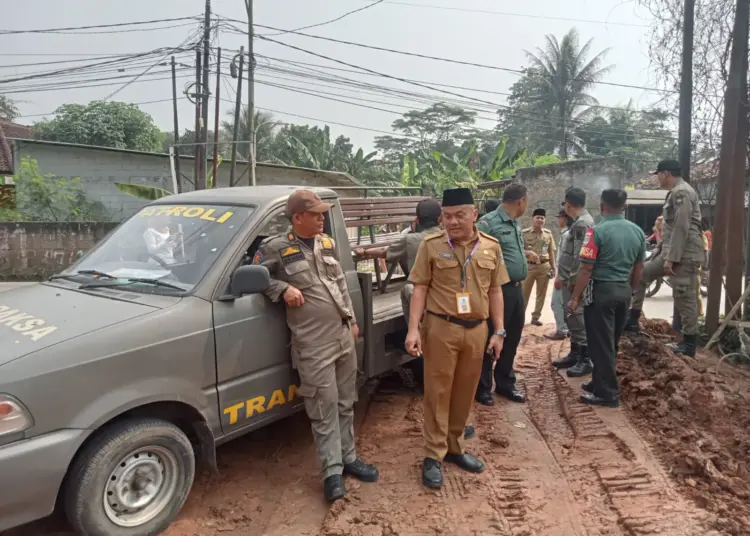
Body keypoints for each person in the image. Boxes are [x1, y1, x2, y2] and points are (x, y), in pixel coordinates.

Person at [253, 189, 378, 503]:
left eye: (323, 213)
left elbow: (338, 285)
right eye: (316, 214)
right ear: (297, 218)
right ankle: (332, 472)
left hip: (341, 334)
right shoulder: (275, 248)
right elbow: (253, 277)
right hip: (312, 343)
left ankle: (349, 458)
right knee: (323, 409)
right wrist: (281, 288)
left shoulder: (326, 243)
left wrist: (350, 319)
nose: (323, 219)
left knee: (346, 401)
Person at [406, 187, 507, 489]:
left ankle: (455, 447)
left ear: (474, 214)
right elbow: (420, 288)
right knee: (438, 391)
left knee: (465, 390)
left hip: (477, 330)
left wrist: (499, 330)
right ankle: (433, 454)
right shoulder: (431, 245)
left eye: (459, 215)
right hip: (441, 327)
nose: (452, 222)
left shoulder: (491, 246)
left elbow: (495, 290)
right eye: (447, 217)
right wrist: (413, 328)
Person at [354, 201, 478, 440]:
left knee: (430, 359)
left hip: (425, 308)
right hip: (450, 310)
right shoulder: (449, 239)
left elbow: (386, 253)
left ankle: (443, 425)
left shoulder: (412, 241)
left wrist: (364, 253)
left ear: (417, 220)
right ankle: (454, 424)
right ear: (441, 219)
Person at [568, 189, 645, 407]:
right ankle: (598, 382)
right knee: (611, 342)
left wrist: (575, 298)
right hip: (624, 292)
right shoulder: (638, 231)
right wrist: (631, 290)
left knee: (600, 344)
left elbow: (585, 269)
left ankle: (608, 394)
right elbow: (639, 268)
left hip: (601, 292)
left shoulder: (596, 232)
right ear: (624, 207)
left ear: (602, 207)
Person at [626, 159, 705, 357]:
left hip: (684, 255)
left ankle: (689, 345)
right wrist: (659, 249)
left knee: (684, 296)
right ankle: (632, 320)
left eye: (658, 173)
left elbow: (681, 227)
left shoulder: (682, 192)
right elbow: (669, 227)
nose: (657, 178)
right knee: (640, 275)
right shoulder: (675, 192)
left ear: (666, 173)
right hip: (670, 252)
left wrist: (672, 258)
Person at [475, 183, 531, 405]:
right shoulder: (488, 223)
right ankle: (483, 387)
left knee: (513, 337)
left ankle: (506, 383)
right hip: (498, 290)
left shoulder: (515, 224)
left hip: (517, 290)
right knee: (493, 336)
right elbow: (474, 253)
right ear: (521, 201)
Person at [552, 187, 595, 377]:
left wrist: (572, 281)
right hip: (571, 278)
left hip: (573, 280)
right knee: (572, 317)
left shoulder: (581, 225)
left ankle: (585, 359)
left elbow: (579, 258)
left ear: (568, 205)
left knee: (576, 316)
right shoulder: (581, 222)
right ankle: (575, 353)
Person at [522, 208, 556, 326]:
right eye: (538, 218)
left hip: (544, 267)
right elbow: (520, 250)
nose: (540, 220)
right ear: (533, 219)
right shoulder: (524, 233)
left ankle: (535, 317)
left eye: (542, 218)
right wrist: (529, 253)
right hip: (529, 267)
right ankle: (520, 318)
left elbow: (551, 252)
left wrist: (554, 267)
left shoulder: (548, 234)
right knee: (524, 293)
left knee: (541, 294)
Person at [545, 204, 573, 341]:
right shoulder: (569, 233)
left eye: (560, 217)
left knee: (556, 303)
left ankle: (562, 330)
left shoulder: (567, 234)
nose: (558, 220)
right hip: (569, 275)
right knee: (565, 303)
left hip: (564, 276)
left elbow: (564, 258)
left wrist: (559, 276)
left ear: (565, 219)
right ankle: (567, 328)